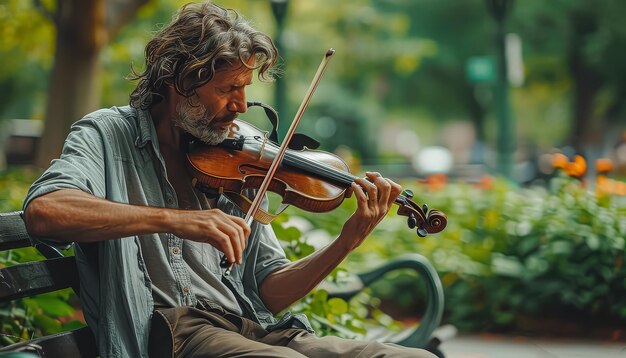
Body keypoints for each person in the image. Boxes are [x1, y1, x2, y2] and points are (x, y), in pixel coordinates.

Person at [22, 2, 436, 357]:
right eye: (228, 89)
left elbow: (270, 291)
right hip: (178, 334)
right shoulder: (107, 134)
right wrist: (178, 219)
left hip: (251, 327)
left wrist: (348, 240)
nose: (241, 106)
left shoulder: (234, 156)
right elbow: (46, 211)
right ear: (178, 82)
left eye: (245, 88)